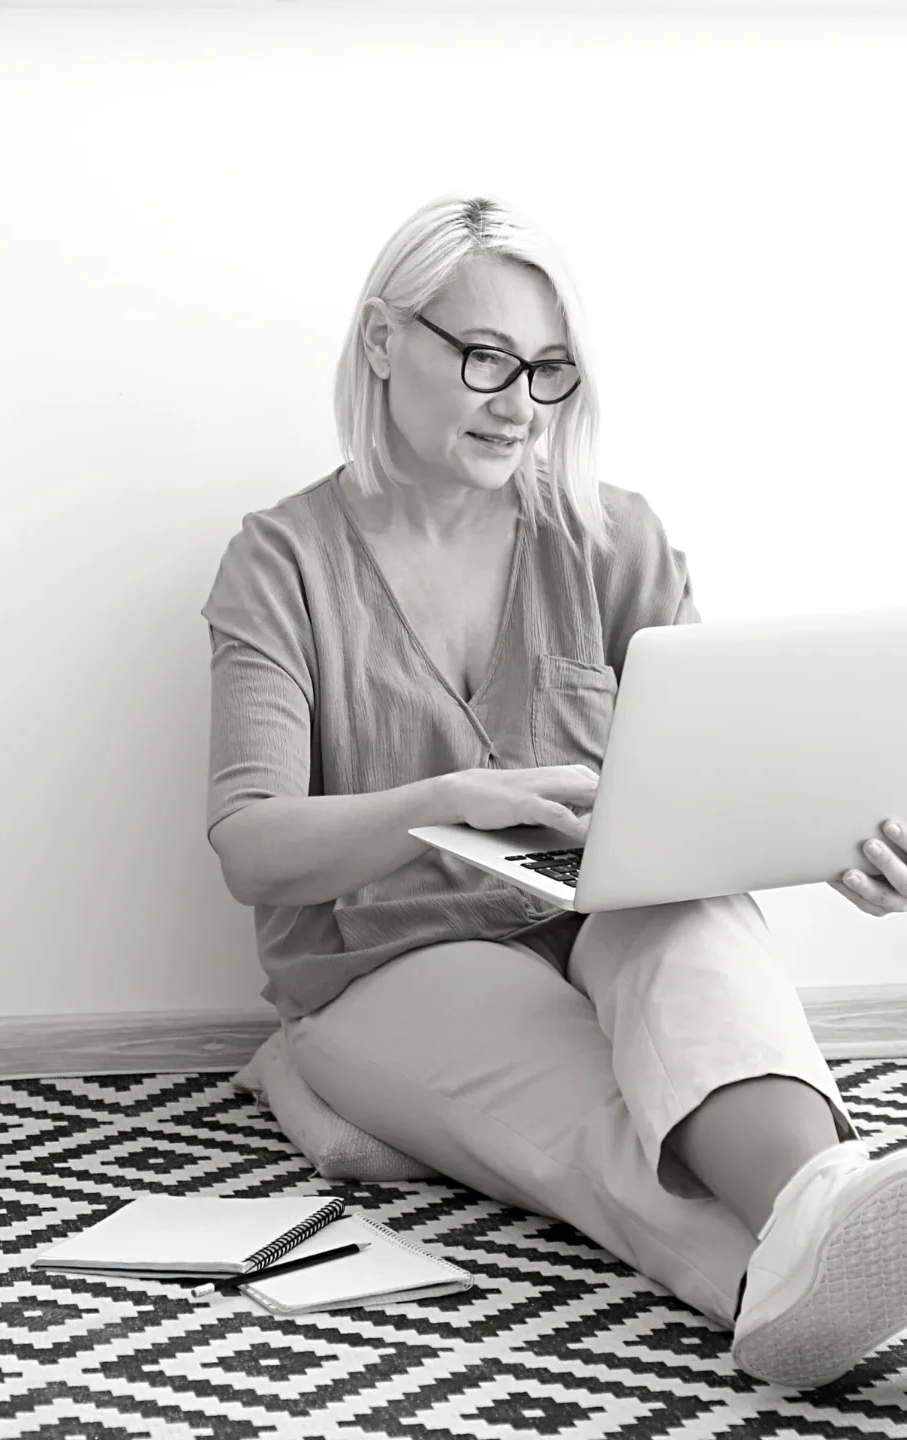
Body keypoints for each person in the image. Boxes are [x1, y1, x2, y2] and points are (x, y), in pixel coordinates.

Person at [200, 193, 907, 1391]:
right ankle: (776, 1283)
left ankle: (822, 1200)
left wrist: (837, 842)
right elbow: (250, 848)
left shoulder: (610, 536)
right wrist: (446, 798)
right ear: (383, 340)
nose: (519, 403)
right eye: (485, 357)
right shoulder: (282, 561)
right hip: (391, 958)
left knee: (696, 932)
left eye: (547, 369)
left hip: (598, 907)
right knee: (596, 1115)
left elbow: (718, 775)